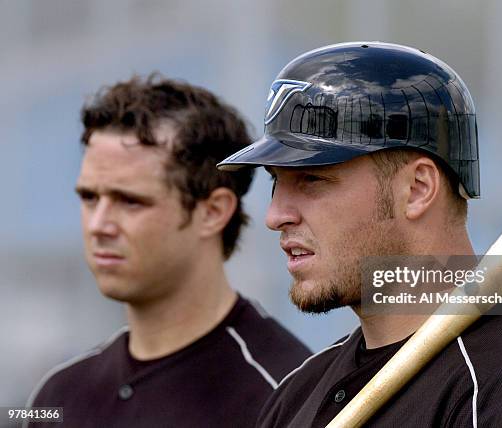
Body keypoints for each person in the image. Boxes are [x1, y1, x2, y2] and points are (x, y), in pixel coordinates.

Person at [218, 42, 502, 427]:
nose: (275, 215)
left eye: (313, 179)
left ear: (417, 189)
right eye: (276, 183)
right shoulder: (298, 393)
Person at [26, 74, 311, 428]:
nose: (98, 224)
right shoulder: (57, 397)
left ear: (212, 212)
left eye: (130, 201)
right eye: (89, 198)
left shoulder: (288, 395)